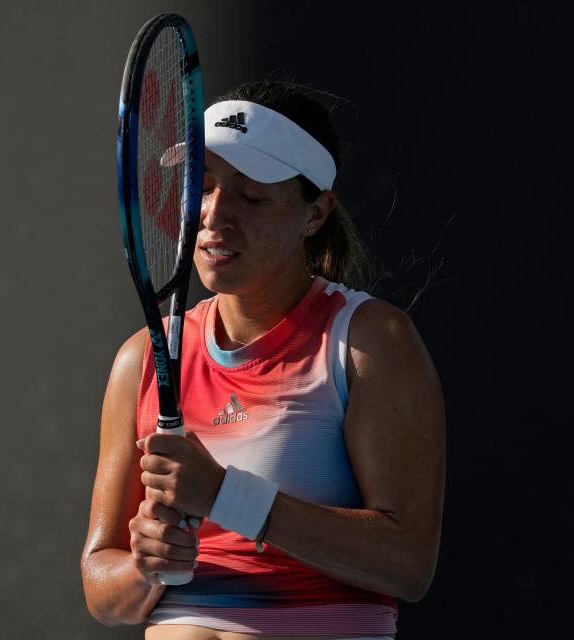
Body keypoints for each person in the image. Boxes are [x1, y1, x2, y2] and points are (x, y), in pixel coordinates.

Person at [82, 80, 446, 640]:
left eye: (251, 196)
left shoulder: (371, 341)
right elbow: (102, 589)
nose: (214, 214)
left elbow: (407, 563)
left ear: (315, 213)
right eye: (200, 189)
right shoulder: (141, 359)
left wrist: (228, 496)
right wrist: (148, 565)